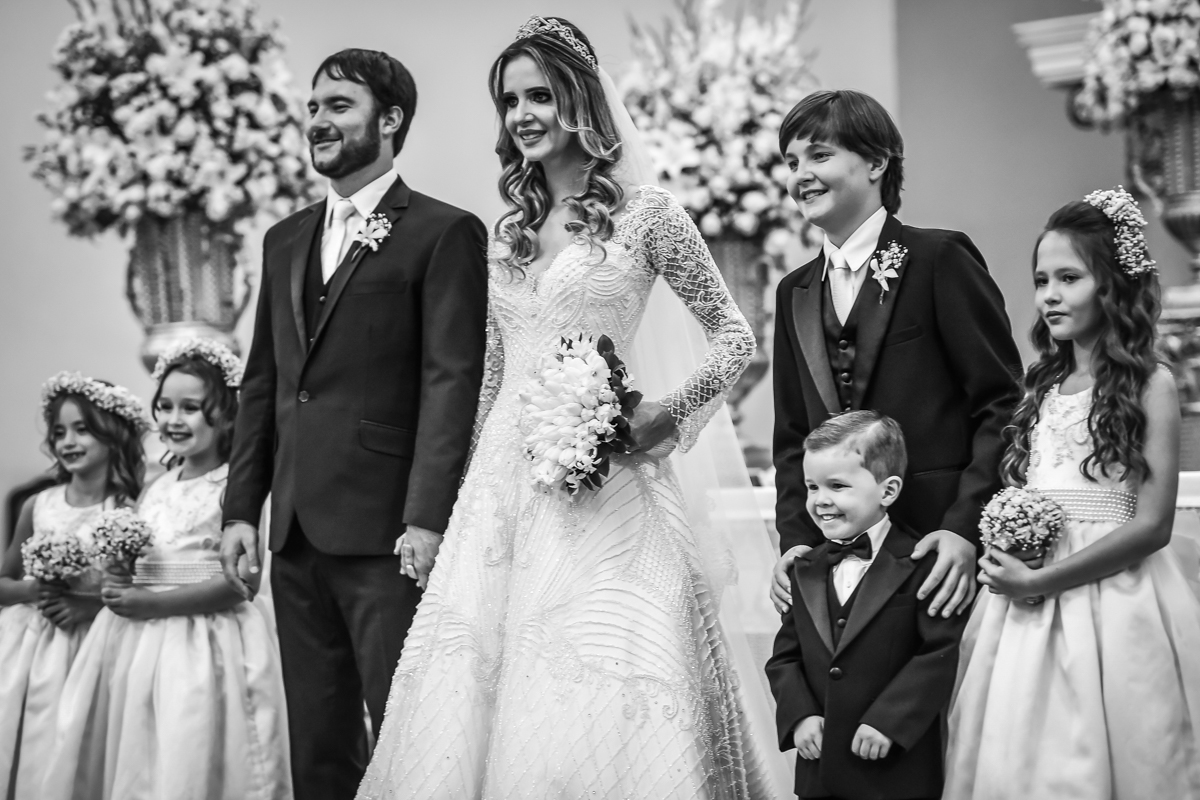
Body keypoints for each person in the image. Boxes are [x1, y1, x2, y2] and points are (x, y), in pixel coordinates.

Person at [357, 17, 790, 799]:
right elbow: (491, 379)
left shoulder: (649, 214)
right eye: (509, 101)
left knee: (606, 676)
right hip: (502, 491)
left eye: (540, 96)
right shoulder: (508, 232)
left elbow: (734, 337)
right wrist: (457, 504)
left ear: (581, 101)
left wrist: (667, 413)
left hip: (609, 485)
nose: (522, 115)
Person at [218, 49, 489, 798]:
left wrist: (427, 518)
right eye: (313, 107)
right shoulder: (284, 238)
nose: (318, 121)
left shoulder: (443, 232)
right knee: (318, 745)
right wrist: (240, 509)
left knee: (407, 736)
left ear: (390, 119)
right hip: (294, 534)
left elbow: (450, 382)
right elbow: (265, 383)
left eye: (338, 106)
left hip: (387, 536)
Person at [944, 189, 1200, 799]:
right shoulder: (1042, 385)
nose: (1049, 296)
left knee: (1113, 746)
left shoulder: (1150, 385)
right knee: (1022, 751)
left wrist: (1041, 581)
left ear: (1111, 284)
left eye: (1069, 278)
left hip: (1114, 594)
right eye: (1042, 280)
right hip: (1026, 603)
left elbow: (1153, 525)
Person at [770, 90, 1023, 620]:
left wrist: (964, 528)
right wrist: (797, 543)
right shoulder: (793, 291)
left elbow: (1001, 405)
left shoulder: (940, 258)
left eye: (819, 155)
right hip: (833, 564)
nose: (800, 176)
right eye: (791, 162)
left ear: (876, 162)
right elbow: (793, 436)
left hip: (937, 552)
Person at [43, 340, 291, 800]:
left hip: (207, 639)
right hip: (140, 642)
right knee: (141, 748)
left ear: (228, 415)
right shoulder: (155, 488)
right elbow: (140, 564)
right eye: (165, 406)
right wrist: (116, 578)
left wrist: (152, 605)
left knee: (190, 741)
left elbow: (244, 583)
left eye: (190, 408)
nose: (174, 419)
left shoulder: (236, 490)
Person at [766, 411, 966, 800]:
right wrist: (800, 715)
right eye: (812, 487)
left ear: (887, 491)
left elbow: (940, 651)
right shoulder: (803, 568)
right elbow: (784, 657)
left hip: (895, 770)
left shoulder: (923, 564)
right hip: (819, 771)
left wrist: (890, 720)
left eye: (837, 486)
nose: (821, 500)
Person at [0, 373, 146, 798]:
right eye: (60, 432)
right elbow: (3, 582)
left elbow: (138, 588)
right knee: (29, 734)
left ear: (113, 435)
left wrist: (90, 607)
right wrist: (32, 591)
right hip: (29, 646)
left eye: (82, 429)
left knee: (77, 739)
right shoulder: (37, 505)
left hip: (93, 645)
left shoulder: (127, 510)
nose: (68, 441)